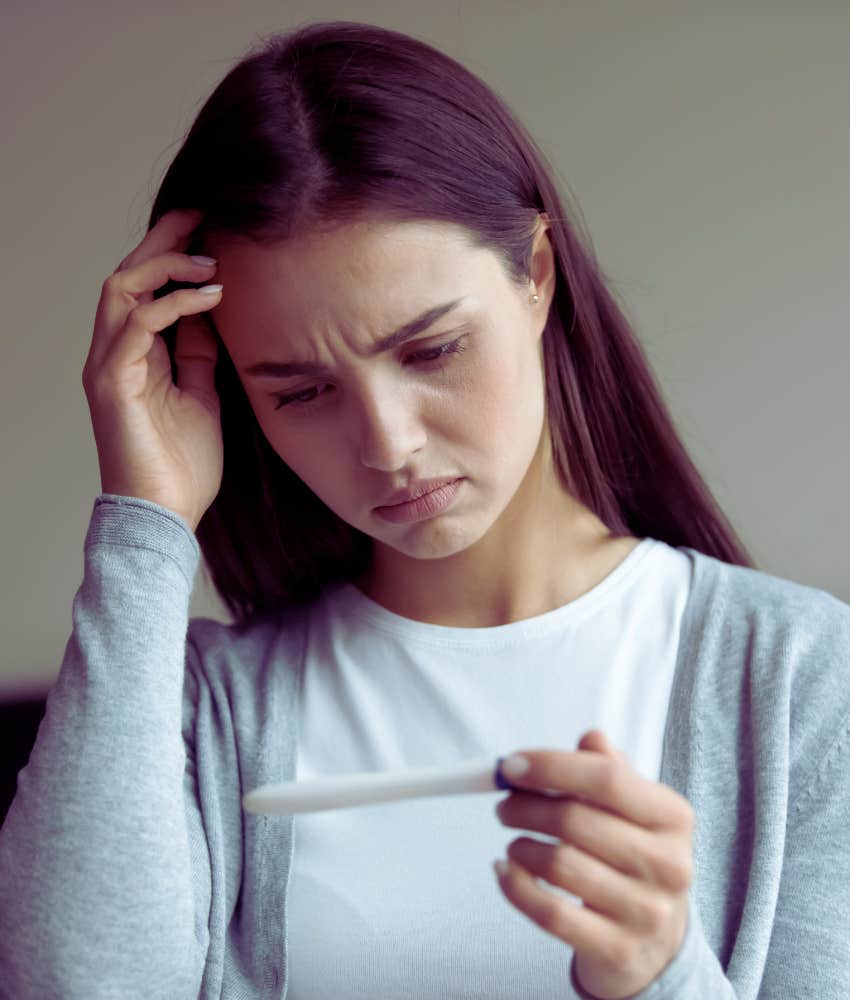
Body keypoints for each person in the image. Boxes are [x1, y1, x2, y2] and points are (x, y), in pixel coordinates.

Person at [0, 19, 848, 1000]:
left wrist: (658, 974)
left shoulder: (799, 680)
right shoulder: (202, 712)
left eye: (431, 349)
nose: (388, 444)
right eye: (300, 391)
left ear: (536, 275)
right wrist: (144, 525)